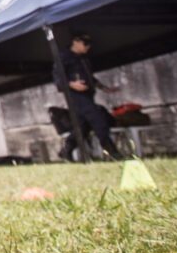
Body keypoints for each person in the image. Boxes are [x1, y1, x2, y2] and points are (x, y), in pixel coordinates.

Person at [52, 33, 124, 161]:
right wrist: (71, 84)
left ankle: (67, 149)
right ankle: (112, 152)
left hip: (88, 95)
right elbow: (58, 79)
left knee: (82, 127)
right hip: (76, 97)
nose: (88, 47)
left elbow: (90, 77)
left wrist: (104, 88)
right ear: (76, 41)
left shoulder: (83, 59)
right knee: (98, 120)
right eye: (85, 44)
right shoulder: (63, 57)